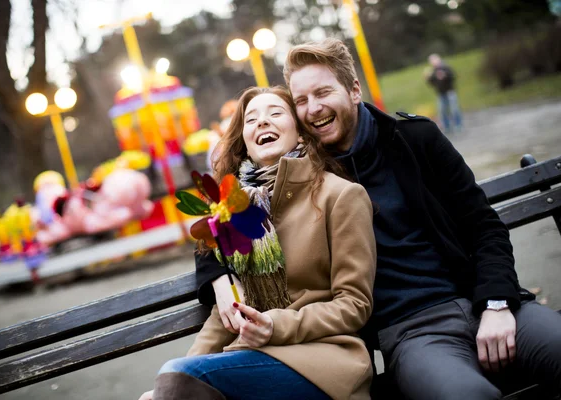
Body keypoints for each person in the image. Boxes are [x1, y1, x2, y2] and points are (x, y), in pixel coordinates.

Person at [198, 39, 561, 400]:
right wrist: (218, 277)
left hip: (486, 302)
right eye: (301, 101)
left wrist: (496, 303)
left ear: (354, 89)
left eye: (323, 92)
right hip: (412, 333)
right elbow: (226, 213)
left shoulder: (414, 139)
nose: (313, 109)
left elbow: (484, 226)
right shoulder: (301, 177)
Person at [139, 86, 376, 400]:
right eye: (251, 119)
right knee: (168, 384)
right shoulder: (236, 209)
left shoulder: (341, 196)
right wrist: (167, 383)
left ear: (301, 133)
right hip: (254, 359)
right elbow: (227, 314)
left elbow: (354, 304)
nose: (262, 122)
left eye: (275, 113)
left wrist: (276, 326)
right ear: (245, 144)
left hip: (324, 362)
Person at [425, 53, 463, 133]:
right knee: (442, 111)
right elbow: (432, 83)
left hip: (449, 92)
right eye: (431, 61)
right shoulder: (433, 71)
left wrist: (445, 75)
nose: (433, 62)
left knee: (454, 109)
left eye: (434, 60)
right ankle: (447, 127)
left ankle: (458, 125)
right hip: (441, 93)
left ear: (438, 59)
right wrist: (427, 78)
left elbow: (453, 76)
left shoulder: (446, 67)